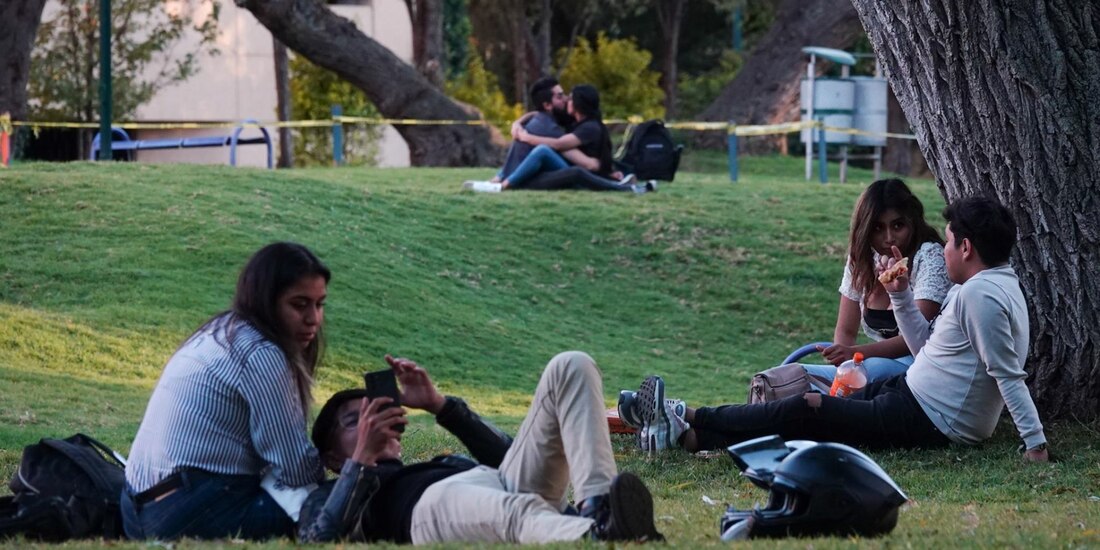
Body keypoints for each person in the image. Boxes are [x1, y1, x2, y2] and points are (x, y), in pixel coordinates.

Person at [625, 197, 1050, 463]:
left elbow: (1007, 374)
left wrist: (1035, 445)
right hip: (911, 393)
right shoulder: (987, 287)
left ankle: (688, 415)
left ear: (966, 248)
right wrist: (900, 295)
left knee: (808, 407)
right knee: (816, 413)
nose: (943, 247)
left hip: (931, 419)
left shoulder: (981, 297)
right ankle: (686, 436)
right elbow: (924, 350)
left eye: (949, 240)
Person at [298, 351, 663, 544]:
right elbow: (318, 539)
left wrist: (440, 406)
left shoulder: (436, 464)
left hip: (490, 481)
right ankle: (596, 538)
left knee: (571, 365)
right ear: (331, 458)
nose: (369, 422)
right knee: (516, 509)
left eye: (374, 411)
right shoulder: (328, 495)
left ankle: (599, 510)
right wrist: (361, 457)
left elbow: (509, 458)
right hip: (429, 510)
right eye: (354, 422)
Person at [121, 242, 330, 540]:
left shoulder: (220, 331)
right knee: (338, 502)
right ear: (266, 301)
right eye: (299, 305)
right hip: (184, 514)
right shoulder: (261, 353)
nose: (313, 319)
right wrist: (347, 463)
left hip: (135, 509)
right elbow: (295, 469)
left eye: (320, 304)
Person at [805, 179, 953, 384]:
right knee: (792, 376)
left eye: (898, 225)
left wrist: (855, 355)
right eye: (877, 228)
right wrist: (843, 366)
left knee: (869, 372)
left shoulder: (928, 256)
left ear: (913, 221)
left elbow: (918, 336)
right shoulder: (862, 258)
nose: (889, 237)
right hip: (877, 366)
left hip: (926, 368)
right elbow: (846, 331)